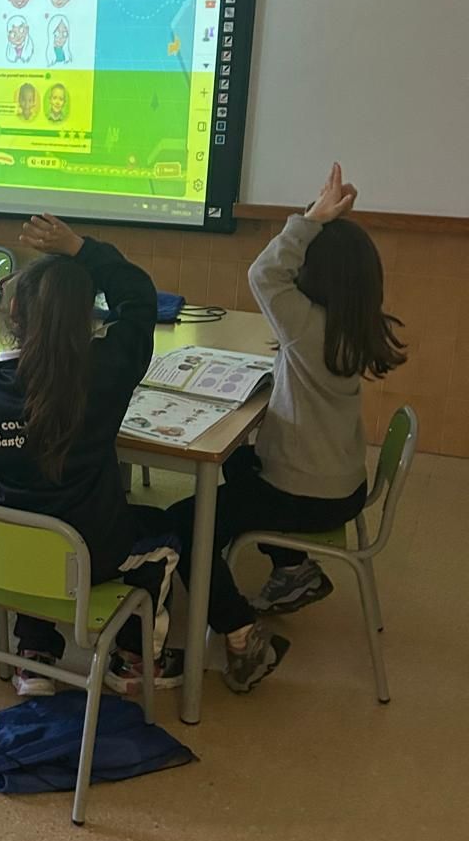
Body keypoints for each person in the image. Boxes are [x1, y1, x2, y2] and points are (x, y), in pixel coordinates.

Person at [166, 163, 406, 692]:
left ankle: (240, 636)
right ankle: (293, 570)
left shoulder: (309, 326)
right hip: (341, 485)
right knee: (236, 456)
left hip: (304, 494)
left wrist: (310, 219)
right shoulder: (351, 322)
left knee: (185, 524)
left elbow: (264, 274)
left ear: (313, 276)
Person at [0, 215, 181, 698]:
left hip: (3, 553)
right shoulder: (105, 373)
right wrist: (82, 248)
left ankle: (35, 653)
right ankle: (133, 656)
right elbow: (140, 300)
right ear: (88, 317)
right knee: (166, 534)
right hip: (89, 551)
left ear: (14, 313)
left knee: (27, 512)